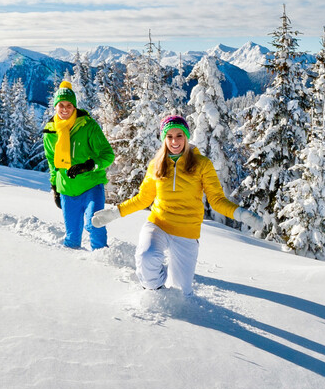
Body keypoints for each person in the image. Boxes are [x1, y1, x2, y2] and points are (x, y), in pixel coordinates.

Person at [91, 115, 263, 295]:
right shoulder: (156, 165)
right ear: (163, 139)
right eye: (169, 136)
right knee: (147, 258)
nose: (174, 141)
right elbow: (143, 199)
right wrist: (114, 213)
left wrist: (241, 214)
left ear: (186, 137)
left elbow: (217, 200)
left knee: (181, 292)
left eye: (179, 135)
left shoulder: (202, 164)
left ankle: (171, 289)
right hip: (159, 223)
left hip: (187, 231)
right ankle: (155, 292)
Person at [42, 81, 115, 250]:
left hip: (91, 185)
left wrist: (90, 165)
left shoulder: (88, 126)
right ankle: (72, 270)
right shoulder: (50, 132)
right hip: (67, 188)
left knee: (95, 224)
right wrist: (54, 186)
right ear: (55, 106)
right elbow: (52, 162)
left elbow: (108, 155)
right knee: (72, 237)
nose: (65, 109)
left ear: (75, 107)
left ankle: (103, 261)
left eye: (69, 105)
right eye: (61, 105)